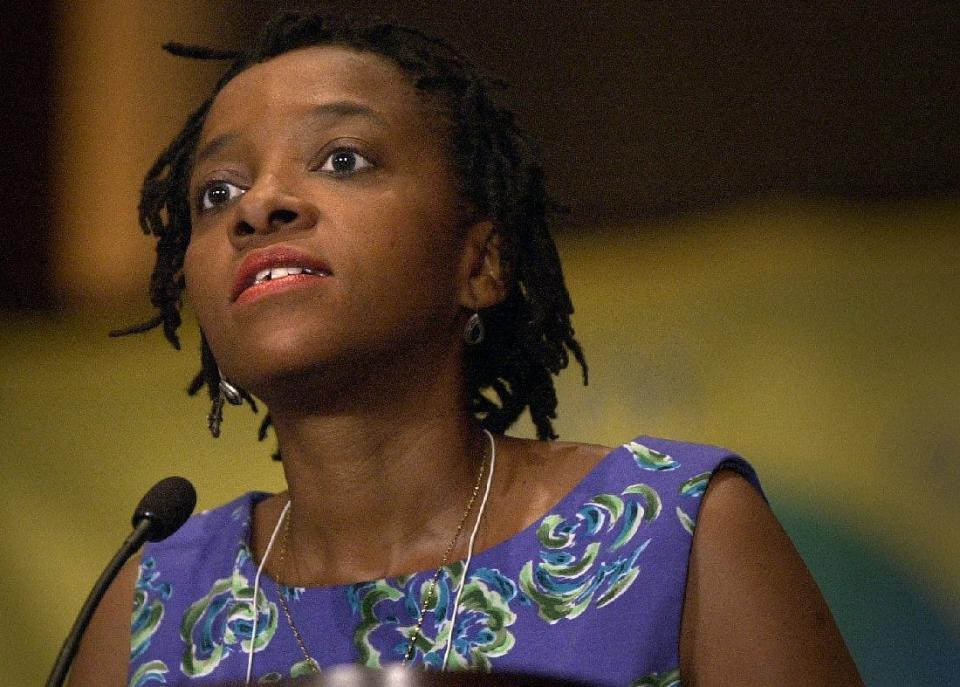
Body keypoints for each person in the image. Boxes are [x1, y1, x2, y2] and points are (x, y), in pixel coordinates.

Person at [69, 11, 863, 687]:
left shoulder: (681, 534)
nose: (260, 206)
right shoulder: (149, 600)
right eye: (219, 192)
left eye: (342, 159)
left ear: (478, 263)